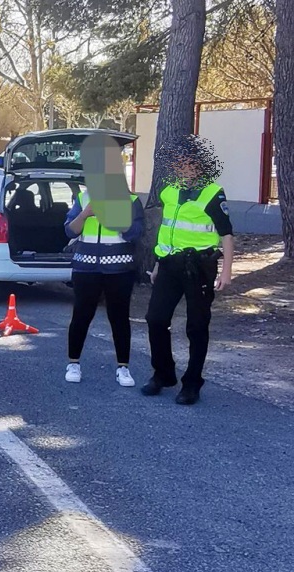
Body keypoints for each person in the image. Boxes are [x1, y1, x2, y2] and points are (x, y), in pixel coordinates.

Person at [142, 134, 234, 405]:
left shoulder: (212, 194)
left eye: (188, 162)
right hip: (169, 266)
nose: (183, 167)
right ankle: (163, 374)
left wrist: (227, 272)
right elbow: (167, 232)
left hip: (199, 268)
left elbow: (227, 235)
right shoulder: (169, 192)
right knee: (156, 319)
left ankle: (192, 384)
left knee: (196, 326)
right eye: (179, 162)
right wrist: (158, 264)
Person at [62, 186, 145, 386]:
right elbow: (69, 230)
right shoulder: (83, 198)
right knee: (81, 315)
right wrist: (84, 214)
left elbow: (136, 232)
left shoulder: (131, 200)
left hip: (119, 268)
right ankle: (73, 363)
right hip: (86, 267)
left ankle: (123, 367)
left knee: (119, 318)